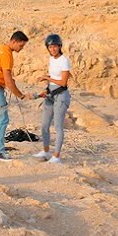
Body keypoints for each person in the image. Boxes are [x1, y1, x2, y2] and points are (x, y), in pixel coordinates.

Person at [0, 30, 29, 160]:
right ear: (14, 41)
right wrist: (20, 95)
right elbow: (8, 80)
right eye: (21, 45)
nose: (21, 49)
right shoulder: (7, 54)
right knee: (2, 120)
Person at [33, 34, 71, 164]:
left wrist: (47, 78)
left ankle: (56, 156)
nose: (53, 49)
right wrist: (47, 88)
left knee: (58, 127)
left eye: (55, 46)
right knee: (44, 125)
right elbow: (53, 77)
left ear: (59, 47)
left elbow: (63, 82)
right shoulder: (51, 59)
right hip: (51, 95)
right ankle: (46, 150)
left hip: (61, 96)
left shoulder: (64, 60)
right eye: (50, 47)